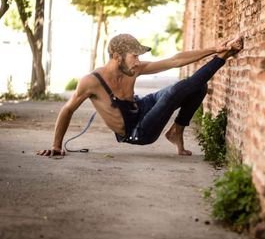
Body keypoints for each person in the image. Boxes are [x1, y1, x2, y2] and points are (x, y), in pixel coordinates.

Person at [37, 33, 243, 157]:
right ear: (117, 57)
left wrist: (213, 48)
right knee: (176, 91)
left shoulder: (132, 69)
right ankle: (222, 58)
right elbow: (67, 109)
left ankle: (176, 132)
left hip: (142, 106)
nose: (138, 61)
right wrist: (56, 145)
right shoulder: (91, 81)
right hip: (137, 131)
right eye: (134, 56)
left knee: (197, 87)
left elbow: (174, 60)